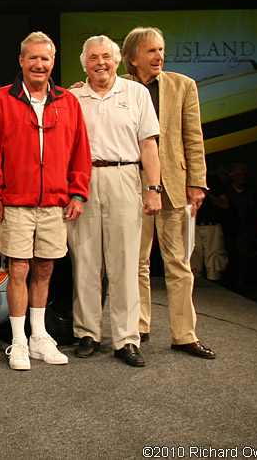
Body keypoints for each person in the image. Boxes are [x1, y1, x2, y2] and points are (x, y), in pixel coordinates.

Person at [0, 31, 90, 370]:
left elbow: (80, 152)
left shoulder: (68, 102)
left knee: (44, 269)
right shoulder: (1, 99)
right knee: (18, 268)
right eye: (32, 58)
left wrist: (77, 192)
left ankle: (39, 337)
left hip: (55, 204)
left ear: (53, 62)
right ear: (21, 61)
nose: (39, 64)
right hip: (15, 202)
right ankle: (17, 340)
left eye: (45, 59)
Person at [122, 26, 215, 359]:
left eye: (160, 49)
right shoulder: (119, 86)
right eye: (151, 51)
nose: (159, 56)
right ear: (133, 57)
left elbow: (194, 137)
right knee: (136, 262)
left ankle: (185, 335)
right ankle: (139, 327)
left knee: (178, 263)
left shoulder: (183, 86)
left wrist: (197, 182)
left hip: (174, 187)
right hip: (133, 187)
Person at [67, 35, 160, 367]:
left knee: (124, 263)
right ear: (84, 63)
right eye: (93, 58)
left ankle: (126, 339)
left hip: (125, 176)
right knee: (86, 261)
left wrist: (154, 188)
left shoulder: (136, 93)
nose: (100, 63)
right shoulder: (73, 96)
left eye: (106, 56)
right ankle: (87, 332)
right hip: (83, 180)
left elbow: (148, 144)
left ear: (117, 60)